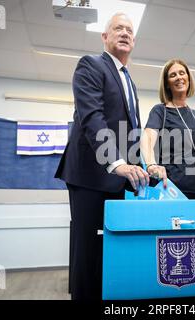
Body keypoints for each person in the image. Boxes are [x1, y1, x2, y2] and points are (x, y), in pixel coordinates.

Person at [55, 13, 149, 300]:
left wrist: (142, 166)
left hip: (119, 180)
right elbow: (92, 117)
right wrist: (117, 162)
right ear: (104, 37)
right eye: (117, 28)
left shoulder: (129, 81)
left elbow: (130, 131)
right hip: (91, 177)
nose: (124, 33)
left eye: (129, 30)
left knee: (113, 252)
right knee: (89, 255)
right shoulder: (91, 65)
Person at [141, 59, 195, 200]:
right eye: (173, 75)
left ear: (188, 78)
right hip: (174, 190)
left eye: (182, 73)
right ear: (167, 84)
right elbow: (148, 136)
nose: (179, 77)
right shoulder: (160, 111)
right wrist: (151, 164)